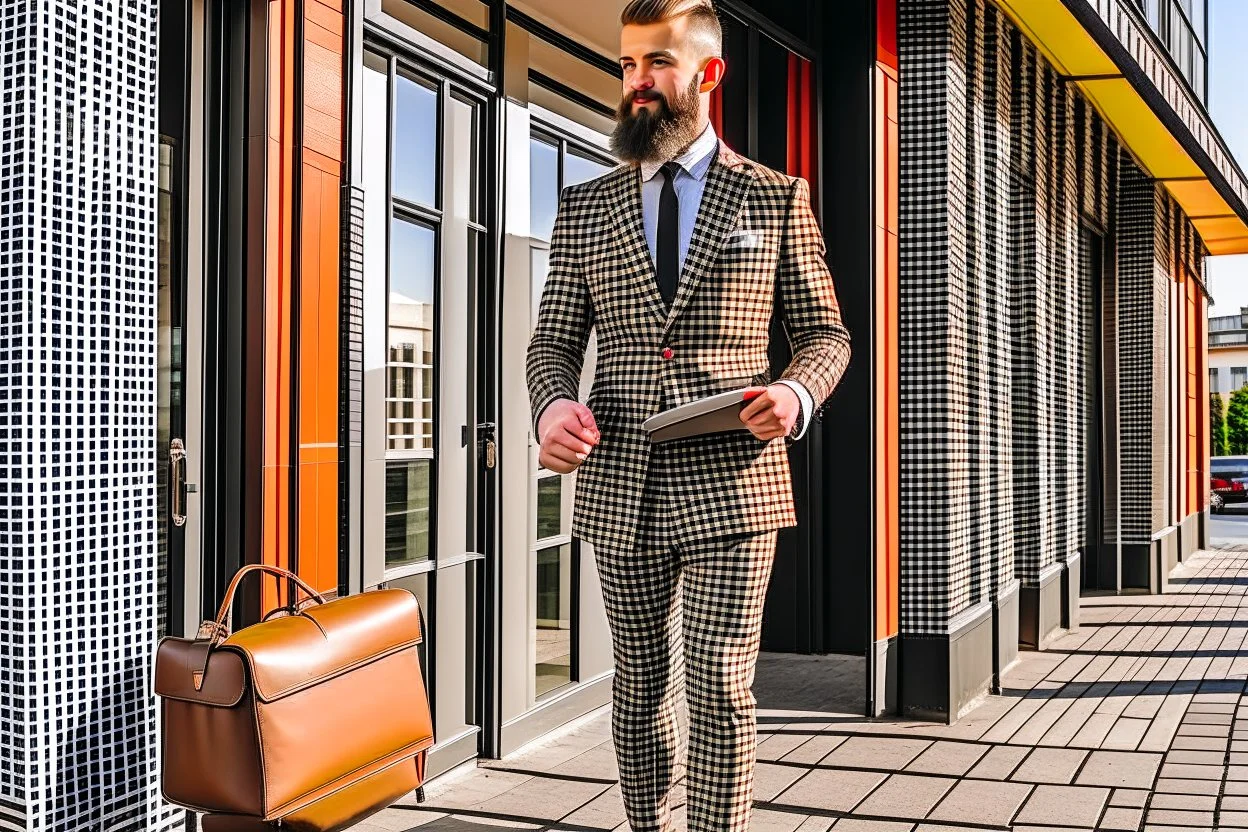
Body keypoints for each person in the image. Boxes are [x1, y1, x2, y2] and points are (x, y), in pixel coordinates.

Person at [525, 1, 851, 829]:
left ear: (708, 74)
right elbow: (552, 343)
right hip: (618, 487)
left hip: (735, 487)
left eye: (658, 64)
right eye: (629, 65)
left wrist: (795, 393)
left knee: (718, 686)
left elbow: (826, 335)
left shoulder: (774, 196)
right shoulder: (586, 205)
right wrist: (552, 405)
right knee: (635, 688)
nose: (638, 82)